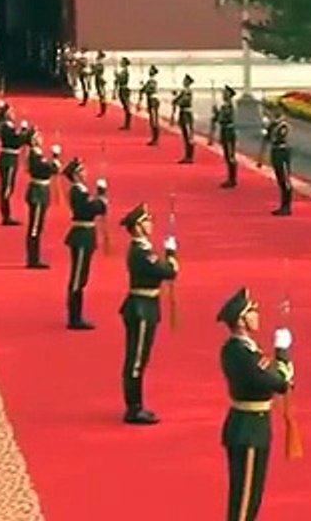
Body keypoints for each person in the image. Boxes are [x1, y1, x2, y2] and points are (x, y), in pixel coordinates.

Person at [217, 287, 294, 521]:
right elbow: (280, 383)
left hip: (249, 425)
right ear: (241, 320)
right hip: (249, 430)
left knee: (250, 497)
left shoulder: (241, 349)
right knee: (245, 500)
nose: (257, 316)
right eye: (252, 312)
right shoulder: (243, 354)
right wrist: (282, 353)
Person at [119, 203, 179, 424]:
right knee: (136, 359)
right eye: (146, 221)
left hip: (147, 304)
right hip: (141, 308)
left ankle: (135, 404)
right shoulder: (141, 252)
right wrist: (171, 254)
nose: (150, 224)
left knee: (140, 358)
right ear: (137, 226)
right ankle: (134, 408)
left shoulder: (145, 250)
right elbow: (168, 272)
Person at [63, 157, 108, 330]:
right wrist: (101, 197)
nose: (85, 173)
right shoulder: (78, 192)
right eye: (82, 170)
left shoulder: (82, 191)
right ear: (75, 175)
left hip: (86, 234)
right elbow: (92, 209)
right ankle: (74, 317)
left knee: (82, 276)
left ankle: (76, 314)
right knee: (77, 278)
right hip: (81, 235)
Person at [24, 132, 62, 269]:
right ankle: (32, 259)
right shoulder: (35, 155)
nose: (41, 139)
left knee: (38, 226)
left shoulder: (38, 154)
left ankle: (34, 257)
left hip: (42, 191)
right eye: (37, 137)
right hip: (38, 192)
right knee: (35, 227)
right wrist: (55, 159)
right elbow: (46, 169)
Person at [0, 115, 33, 225]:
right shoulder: (6, 127)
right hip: (9, 159)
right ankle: (6, 216)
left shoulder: (8, 126)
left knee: (7, 188)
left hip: (9, 158)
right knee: (7, 188)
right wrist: (26, 134)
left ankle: (6, 214)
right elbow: (15, 141)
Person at [259, 106, 292, 215]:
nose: (274, 112)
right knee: (280, 180)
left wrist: (269, 128)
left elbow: (279, 137)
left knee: (285, 180)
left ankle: (287, 206)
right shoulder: (273, 124)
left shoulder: (283, 125)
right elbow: (267, 138)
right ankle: (283, 205)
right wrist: (266, 128)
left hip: (282, 152)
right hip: (275, 152)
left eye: (278, 110)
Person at [213, 85, 238, 188]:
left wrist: (217, 114)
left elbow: (223, 118)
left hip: (228, 131)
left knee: (230, 155)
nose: (223, 94)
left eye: (225, 93)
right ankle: (230, 178)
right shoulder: (225, 106)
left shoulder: (228, 106)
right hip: (225, 130)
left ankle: (232, 179)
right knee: (227, 155)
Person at [172, 75, 195, 163]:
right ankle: (187, 155)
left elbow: (184, 101)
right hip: (183, 113)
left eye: (185, 80)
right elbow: (176, 100)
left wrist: (177, 101)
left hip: (186, 114)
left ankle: (190, 156)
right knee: (185, 135)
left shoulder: (188, 91)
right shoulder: (184, 91)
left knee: (188, 135)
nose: (184, 81)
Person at [140, 65, 160, 146]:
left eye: (150, 70)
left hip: (153, 100)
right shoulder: (150, 80)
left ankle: (155, 138)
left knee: (154, 120)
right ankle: (154, 137)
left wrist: (144, 88)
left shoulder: (153, 81)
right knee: (152, 120)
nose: (149, 71)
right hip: (150, 100)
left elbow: (149, 89)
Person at [114, 57, 133, 130]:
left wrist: (116, 75)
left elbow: (121, 79)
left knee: (126, 106)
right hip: (122, 89)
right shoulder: (123, 71)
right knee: (125, 107)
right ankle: (126, 124)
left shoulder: (125, 71)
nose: (120, 63)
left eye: (122, 62)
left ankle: (127, 124)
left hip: (124, 89)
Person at [91, 50, 108, 117]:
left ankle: (103, 110)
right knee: (100, 94)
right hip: (98, 79)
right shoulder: (98, 63)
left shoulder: (100, 63)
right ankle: (102, 109)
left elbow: (98, 72)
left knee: (102, 94)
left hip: (100, 79)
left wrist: (93, 68)